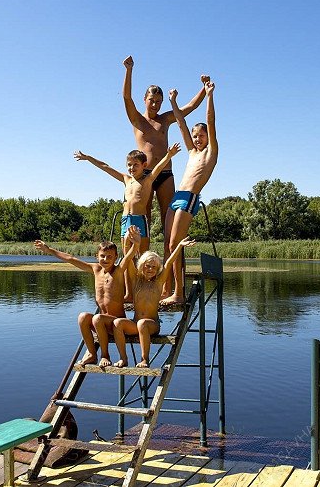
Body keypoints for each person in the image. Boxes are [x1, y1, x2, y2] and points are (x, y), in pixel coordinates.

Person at [33, 227, 140, 368]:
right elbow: (71, 259)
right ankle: (92, 354)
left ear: (115, 258)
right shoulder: (95, 269)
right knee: (83, 316)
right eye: (102, 256)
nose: (105, 259)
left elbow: (129, 256)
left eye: (109, 256)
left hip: (117, 323)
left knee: (97, 318)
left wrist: (136, 243)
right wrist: (49, 250)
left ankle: (105, 355)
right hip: (101, 324)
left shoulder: (118, 271)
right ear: (97, 256)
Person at [122, 55, 209, 228]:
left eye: (158, 102)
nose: (155, 105)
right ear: (144, 100)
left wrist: (204, 88)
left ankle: (174, 255)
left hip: (165, 174)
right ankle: (142, 255)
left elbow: (189, 107)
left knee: (168, 216)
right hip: (144, 175)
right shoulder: (137, 120)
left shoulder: (165, 119)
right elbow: (126, 98)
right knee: (142, 218)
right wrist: (129, 70)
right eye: (151, 101)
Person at [162, 80, 217, 305]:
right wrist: (173, 102)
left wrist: (209, 95)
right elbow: (181, 125)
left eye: (201, 135)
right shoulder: (192, 152)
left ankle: (179, 292)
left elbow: (211, 122)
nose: (197, 138)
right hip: (176, 198)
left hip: (189, 198)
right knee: (167, 244)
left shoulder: (210, 153)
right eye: (195, 136)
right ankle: (166, 288)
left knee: (176, 244)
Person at [74, 144, 180, 258]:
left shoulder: (147, 180)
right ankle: (127, 276)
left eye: (136, 165)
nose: (132, 168)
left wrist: (169, 155)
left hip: (139, 219)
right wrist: (88, 158)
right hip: (125, 220)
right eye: (129, 165)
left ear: (144, 165)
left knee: (143, 255)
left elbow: (158, 167)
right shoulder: (126, 179)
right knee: (127, 256)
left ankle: (142, 275)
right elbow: (105, 166)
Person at [112, 236, 197, 368]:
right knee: (117, 323)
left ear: (157, 269)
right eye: (147, 266)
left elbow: (169, 263)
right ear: (142, 266)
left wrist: (179, 245)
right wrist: (128, 242)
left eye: (153, 267)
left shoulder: (158, 282)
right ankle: (123, 358)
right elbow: (128, 259)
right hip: (136, 324)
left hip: (152, 325)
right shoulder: (136, 280)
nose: (150, 269)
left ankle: (144, 359)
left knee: (142, 323)